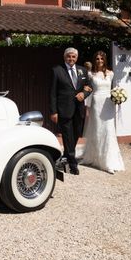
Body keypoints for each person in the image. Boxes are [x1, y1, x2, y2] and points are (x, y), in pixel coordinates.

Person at [50, 47, 92, 175]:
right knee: (67, 136)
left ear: (77, 58)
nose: (71, 59)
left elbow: (90, 86)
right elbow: (52, 93)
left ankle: (66, 157)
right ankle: (73, 164)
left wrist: (83, 94)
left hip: (79, 109)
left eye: (73, 56)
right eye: (69, 56)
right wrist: (53, 111)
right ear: (65, 57)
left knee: (75, 135)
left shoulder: (83, 70)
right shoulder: (57, 71)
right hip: (64, 110)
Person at [82, 51, 124, 174]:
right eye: (97, 59)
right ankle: (97, 158)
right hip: (96, 103)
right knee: (98, 129)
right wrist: (87, 107)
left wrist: (118, 97)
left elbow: (112, 89)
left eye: (101, 58)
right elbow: (89, 91)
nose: (99, 60)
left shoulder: (111, 73)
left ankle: (109, 161)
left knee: (109, 130)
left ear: (105, 60)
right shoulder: (90, 74)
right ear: (94, 60)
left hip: (108, 104)